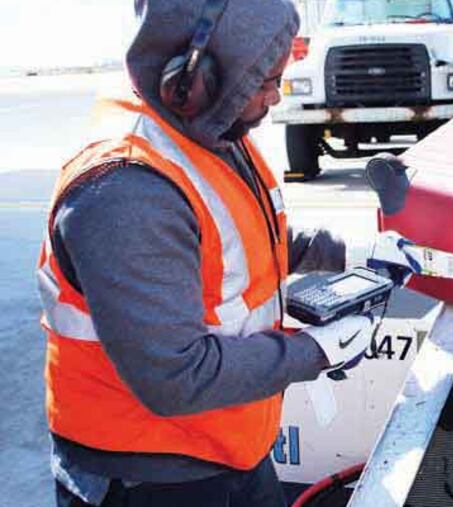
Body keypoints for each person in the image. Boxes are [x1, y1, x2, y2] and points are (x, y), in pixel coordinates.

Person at [36, 0, 404, 505]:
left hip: (229, 448)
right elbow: (175, 375)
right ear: (191, 78)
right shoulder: (126, 190)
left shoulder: (204, 126)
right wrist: (315, 351)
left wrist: (345, 251)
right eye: (263, 81)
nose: (275, 97)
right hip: (154, 475)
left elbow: (237, 238)